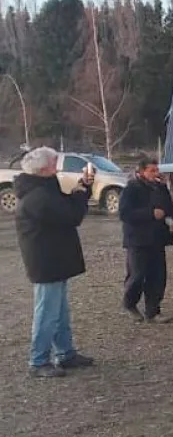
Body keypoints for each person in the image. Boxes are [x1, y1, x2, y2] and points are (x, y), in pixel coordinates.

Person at [13, 146, 96, 378]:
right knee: (47, 312)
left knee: (59, 310)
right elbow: (70, 215)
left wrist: (82, 188)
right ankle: (38, 360)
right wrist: (81, 193)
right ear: (44, 168)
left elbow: (65, 207)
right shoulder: (37, 197)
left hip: (53, 258)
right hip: (46, 260)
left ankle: (65, 353)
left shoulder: (42, 190)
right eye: (54, 162)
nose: (57, 166)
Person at [119, 157, 173, 323]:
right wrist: (149, 213)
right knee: (137, 275)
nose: (156, 173)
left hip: (157, 239)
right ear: (141, 172)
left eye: (157, 170)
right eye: (152, 170)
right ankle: (130, 303)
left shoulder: (160, 188)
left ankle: (153, 310)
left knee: (158, 276)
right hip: (137, 240)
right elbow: (124, 213)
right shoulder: (131, 189)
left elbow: (171, 208)